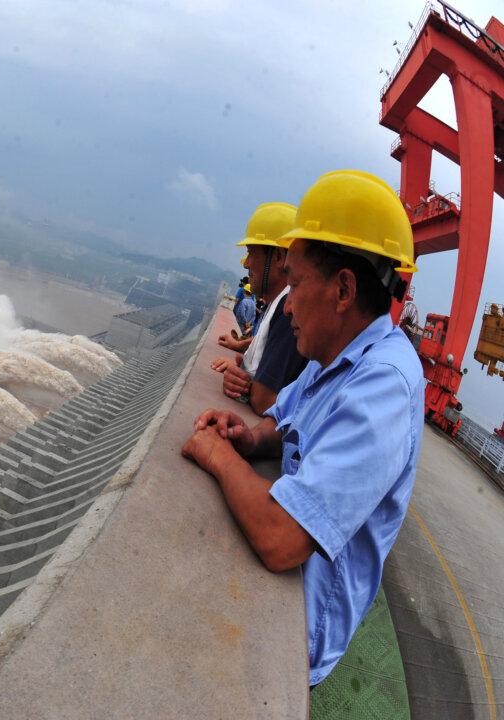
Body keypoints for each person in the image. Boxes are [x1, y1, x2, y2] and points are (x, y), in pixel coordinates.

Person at [181, 169, 424, 687]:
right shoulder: (332, 351)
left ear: (342, 290)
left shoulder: (385, 387)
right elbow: (283, 418)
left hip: (301, 633)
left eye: (294, 283)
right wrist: (248, 439)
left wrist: (218, 455)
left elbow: (282, 538)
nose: (286, 304)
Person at [212, 202, 308, 415]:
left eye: (251, 252)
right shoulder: (276, 304)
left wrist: (248, 387)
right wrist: (243, 362)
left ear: (278, 258)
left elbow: (264, 400)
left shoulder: (288, 310)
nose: (245, 264)